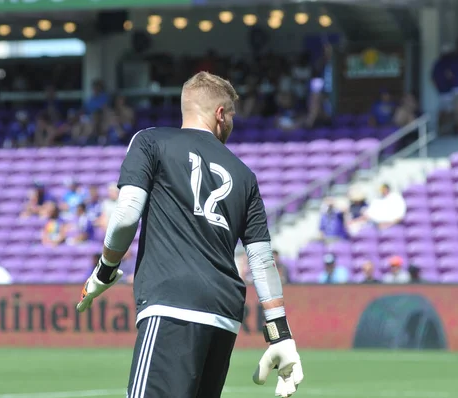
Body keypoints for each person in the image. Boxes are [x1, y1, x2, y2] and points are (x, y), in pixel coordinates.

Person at [75, 71, 303, 398]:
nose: (233, 123)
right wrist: (280, 334)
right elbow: (262, 261)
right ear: (219, 113)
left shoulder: (151, 141)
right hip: (223, 316)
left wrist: (106, 270)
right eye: (232, 115)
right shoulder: (244, 175)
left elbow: (125, 217)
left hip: (171, 303)